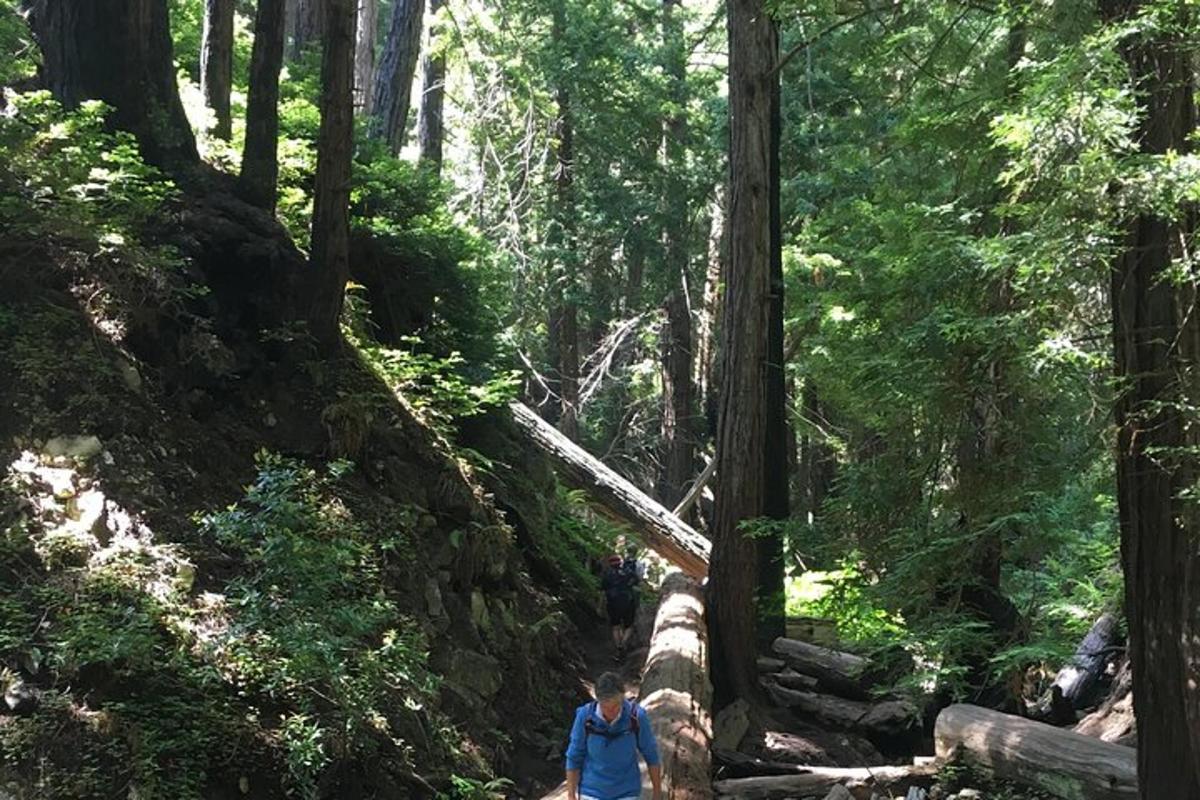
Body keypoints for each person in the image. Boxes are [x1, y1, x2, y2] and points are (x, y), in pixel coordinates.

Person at [565, 672, 662, 800]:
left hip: (627, 791)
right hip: (591, 791)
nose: (611, 712)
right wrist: (571, 795)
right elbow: (574, 756)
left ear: (623, 699)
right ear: (598, 701)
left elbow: (651, 754)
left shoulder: (637, 717)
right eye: (606, 707)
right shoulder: (585, 716)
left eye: (616, 706)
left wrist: (657, 792)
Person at [601, 554, 637, 659]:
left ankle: (618, 647)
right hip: (628, 600)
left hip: (613, 602)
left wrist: (601, 605)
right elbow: (636, 580)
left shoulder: (606, 575)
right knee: (629, 626)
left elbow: (603, 590)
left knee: (616, 626)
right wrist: (629, 585)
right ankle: (623, 643)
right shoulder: (627, 572)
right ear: (620, 563)